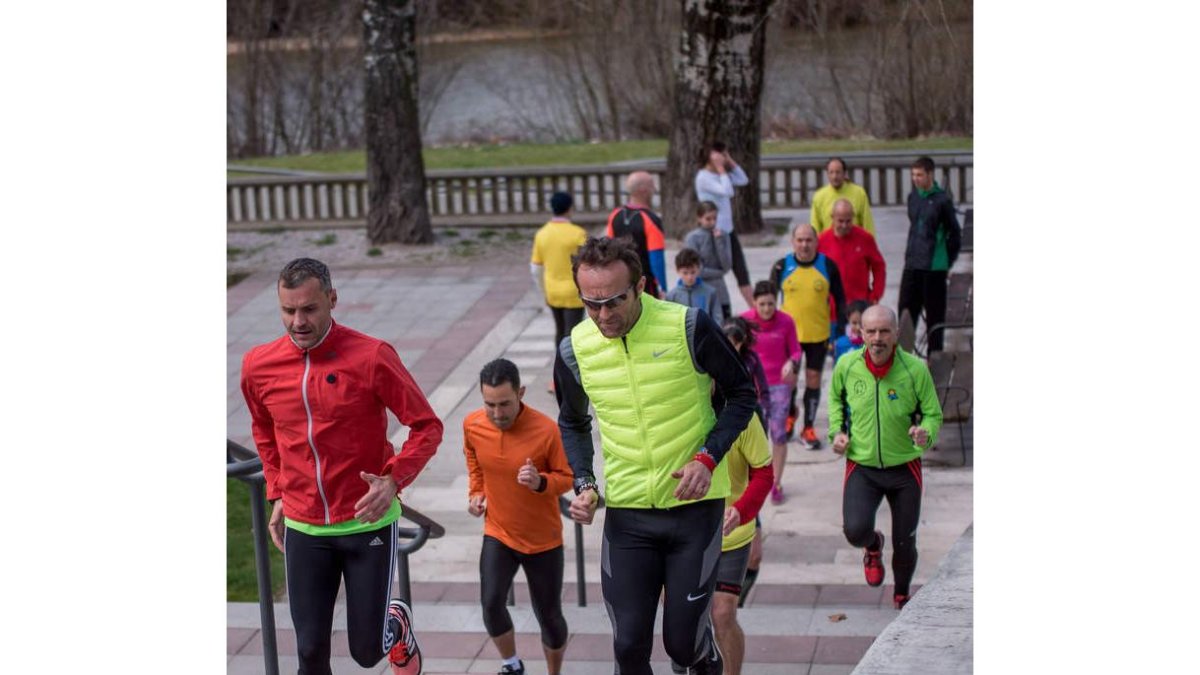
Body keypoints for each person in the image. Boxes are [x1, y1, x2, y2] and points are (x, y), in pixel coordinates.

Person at [554, 236, 758, 675]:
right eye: (591, 303)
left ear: (641, 286)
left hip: (694, 509)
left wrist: (708, 458)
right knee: (628, 648)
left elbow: (743, 395)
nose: (603, 315)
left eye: (613, 301)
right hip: (628, 514)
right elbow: (572, 422)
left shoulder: (689, 326)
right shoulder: (575, 348)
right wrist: (585, 483)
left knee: (684, 646)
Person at [240, 257, 443, 675]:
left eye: (309, 309)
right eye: (288, 310)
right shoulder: (259, 365)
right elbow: (264, 429)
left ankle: (397, 623)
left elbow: (427, 426)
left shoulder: (372, 357)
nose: (298, 321)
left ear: (332, 300)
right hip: (304, 526)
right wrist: (277, 490)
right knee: (310, 652)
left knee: (367, 653)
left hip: (366, 523)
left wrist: (393, 479)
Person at [828, 305, 943, 610]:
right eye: (871, 331)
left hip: (904, 468)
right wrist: (836, 433)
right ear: (861, 333)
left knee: (905, 541)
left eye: (884, 331)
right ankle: (872, 545)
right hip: (862, 465)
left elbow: (933, 413)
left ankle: (901, 594)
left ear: (896, 334)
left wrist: (925, 434)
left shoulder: (915, 370)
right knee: (854, 531)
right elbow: (835, 401)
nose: (877, 338)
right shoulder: (846, 366)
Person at [463, 359, 573, 675]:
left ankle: (554, 672)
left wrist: (540, 482)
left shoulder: (546, 430)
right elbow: (474, 461)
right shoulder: (473, 424)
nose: (497, 414)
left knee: (549, 615)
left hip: (543, 540)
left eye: (505, 404)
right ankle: (512, 665)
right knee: (491, 603)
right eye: (490, 405)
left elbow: (566, 477)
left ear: (521, 393)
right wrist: (476, 492)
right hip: (499, 532)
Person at [671, 417, 773, 675]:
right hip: (679, 534)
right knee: (685, 622)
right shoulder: (674, 408)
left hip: (730, 532)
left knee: (723, 614)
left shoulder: (742, 415)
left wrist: (741, 511)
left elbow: (764, 473)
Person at [769, 223, 846, 451]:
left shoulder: (828, 266)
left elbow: (841, 302)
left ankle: (808, 427)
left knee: (813, 379)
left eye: (808, 240)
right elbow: (770, 301)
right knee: (789, 379)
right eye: (800, 240)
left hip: (818, 335)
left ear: (816, 241)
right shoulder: (782, 266)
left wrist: (839, 334)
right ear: (793, 242)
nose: (804, 244)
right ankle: (790, 414)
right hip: (788, 337)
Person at [740, 280, 800, 505]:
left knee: (778, 434)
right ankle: (751, 479)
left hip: (778, 386)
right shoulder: (745, 321)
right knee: (751, 435)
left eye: (771, 304)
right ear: (754, 302)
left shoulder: (786, 322)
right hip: (751, 386)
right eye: (762, 304)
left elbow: (795, 350)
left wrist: (792, 363)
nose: (766, 309)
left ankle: (776, 482)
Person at [899, 155, 962, 353]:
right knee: (905, 315)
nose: (916, 179)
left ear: (930, 174)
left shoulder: (942, 200)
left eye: (919, 175)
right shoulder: (913, 197)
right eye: (913, 175)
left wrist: (947, 262)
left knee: (935, 319)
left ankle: (934, 363)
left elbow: (955, 234)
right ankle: (903, 359)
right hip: (912, 264)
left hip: (934, 268)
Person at [694, 141, 755, 308]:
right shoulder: (703, 178)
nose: (722, 158)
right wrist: (721, 169)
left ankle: (754, 308)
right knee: (713, 273)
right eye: (720, 155)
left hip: (728, 230)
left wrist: (730, 161)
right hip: (713, 232)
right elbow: (728, 191)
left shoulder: (723, 175)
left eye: (724, 154)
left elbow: (743, 180)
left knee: (741, 270)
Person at [531, 191, 588, 360]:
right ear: (570, 208)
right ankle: (569, 374)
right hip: (573, 292)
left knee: (559, 332)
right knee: (571, 335)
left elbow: (535, 268)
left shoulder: (542, 234)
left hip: (552, 291)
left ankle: (558, 371)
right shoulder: (578, 233)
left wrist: (543, 291)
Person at [606, 170, 668, 299]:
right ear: (644, 190)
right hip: (646, 285)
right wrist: (663, 287)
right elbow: (656, 258)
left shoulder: (615, 215)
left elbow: (609, 251)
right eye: (652, 185)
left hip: (621, 283)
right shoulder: (650, 219)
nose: (655, 189)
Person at [817, 198, 886, 306]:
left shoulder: (865, 238)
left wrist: (875, 295)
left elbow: (879, 266)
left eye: (848, 221)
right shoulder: (821, 241)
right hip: (831, 308)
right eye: (840, 221)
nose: (844, 225)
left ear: (853, 217)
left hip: (859, 305)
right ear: (832, 217)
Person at [684, 201, 734, 319]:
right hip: (701, 289)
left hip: (720, 289)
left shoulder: (723, 235)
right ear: (699, 218)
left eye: (715, 218)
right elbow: (696, 270)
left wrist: (719, 242)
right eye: (708, 219)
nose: (712, 222)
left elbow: (726, 265)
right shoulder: (693, 238)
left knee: (724, 324)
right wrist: (718, 273)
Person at [809, 157, 876, 237]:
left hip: (854, 243)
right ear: (827, 174)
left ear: (844, 173)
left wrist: (870, 244)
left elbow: (867, 224)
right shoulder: (819, 196)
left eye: (838, 172)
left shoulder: (859, 193)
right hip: (829, 245)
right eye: (831, 172)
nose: (835, 176)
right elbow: (815, 228)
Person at [666, 247, 723, 324]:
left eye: (693, 272)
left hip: (705, 335)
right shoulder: (671, 296)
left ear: (698, 269)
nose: (689, 277)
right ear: (677, 271)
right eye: (685, 273)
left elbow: (718, 319)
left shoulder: (711, 293)